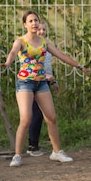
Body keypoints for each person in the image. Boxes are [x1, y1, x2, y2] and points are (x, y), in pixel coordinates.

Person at [0, 10, 91, 167]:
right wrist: (8, 63)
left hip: (41, 83)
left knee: (51, 118)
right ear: (25, 24)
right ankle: (17, 155)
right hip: (25, 83)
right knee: (26, 118)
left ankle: (56, 152)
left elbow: (61, 55)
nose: (34, 23)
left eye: (36, 20)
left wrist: (80, 66)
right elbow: (13, 53)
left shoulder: (44, 42)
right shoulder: (20, 41)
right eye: (30, 21)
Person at [26, 20, 59, 156]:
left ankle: (37, 145)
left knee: (44, 115)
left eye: (44, 30)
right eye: (39, 29)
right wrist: (46, 77)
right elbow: (33, 66)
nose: (41, 32)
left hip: (44, 82)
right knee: (36, 114)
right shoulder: (31, 46)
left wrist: (52, 81)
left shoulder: (46, 44)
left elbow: (47, 66)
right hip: (34, 83)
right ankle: (32, 146)